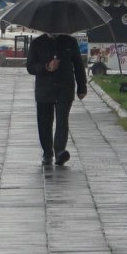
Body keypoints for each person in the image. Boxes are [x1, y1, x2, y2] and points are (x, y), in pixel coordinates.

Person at [26, 33, 87, 166]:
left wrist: (82, 86)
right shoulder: (37, 42)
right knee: (44, 122)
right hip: (44, 89)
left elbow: (78, 64)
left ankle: (60, 151)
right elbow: (30, 66)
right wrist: (47, 66)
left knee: (62, 121)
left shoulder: (70, 42)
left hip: (65, 87)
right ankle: (47, 152)